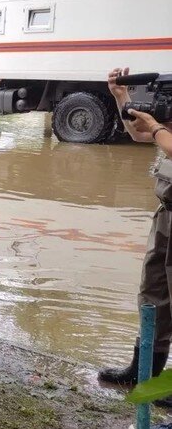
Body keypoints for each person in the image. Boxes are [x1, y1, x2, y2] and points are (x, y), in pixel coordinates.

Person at [99, 67, 172, 390]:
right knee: (153, 295)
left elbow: (156, 134)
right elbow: (139, 134)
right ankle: (144, 373)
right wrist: (121, 96)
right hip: (167, 215)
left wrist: (156, 126)